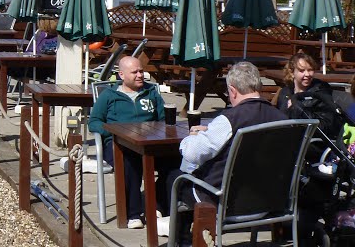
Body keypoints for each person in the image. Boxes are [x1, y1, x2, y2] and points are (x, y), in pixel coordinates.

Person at [160, 61, 286, 243]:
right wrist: (210, 131)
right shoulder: (282, 119)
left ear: (233, 91)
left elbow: (192, 153)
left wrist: (192, 137)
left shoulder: (229, 119)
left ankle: (184, 240)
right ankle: (194, 236)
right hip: (270, 201)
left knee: (176, 179)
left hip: (225, 202)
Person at [88, 55, 174, 229]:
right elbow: (94, 122)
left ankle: (158, 205)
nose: (140, 75)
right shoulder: (109, 96)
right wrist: (115, 132)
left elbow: (164, 119)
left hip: (149, 144)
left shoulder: (151, 93)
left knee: (176, 160)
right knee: (129, 162)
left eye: (141, 71)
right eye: (135, 72)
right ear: (122, 75)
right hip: (118, 145)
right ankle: (132, 213)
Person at [277, 51, 344, 141]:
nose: (307, 74)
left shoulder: (321, 92)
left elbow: (326, 127)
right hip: (289, 139)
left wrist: (299, 109)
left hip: (312, 142)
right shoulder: (285, 92)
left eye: (310, 70)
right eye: (302, 71)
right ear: (292, 73)